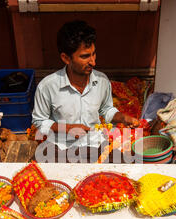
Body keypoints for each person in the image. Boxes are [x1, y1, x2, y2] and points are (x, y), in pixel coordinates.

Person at [32, 20, 139, 163]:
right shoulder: (47, 86)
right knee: (39, 172)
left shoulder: (102, 81)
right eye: (85, 56)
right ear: (66, 58)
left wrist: (123, 118)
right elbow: (39, 121)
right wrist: (68, 128)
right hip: (60, 147)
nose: (93, 62)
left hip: (95, 144)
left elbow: (106, 110)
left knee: (129, 164)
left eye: (93, 54)